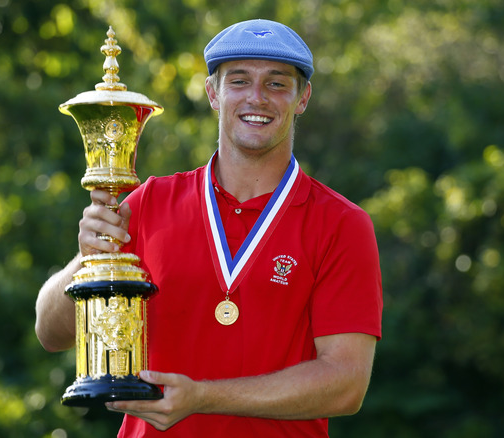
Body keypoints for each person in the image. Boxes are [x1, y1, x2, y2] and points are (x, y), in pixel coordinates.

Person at [35, 19, 383, 437]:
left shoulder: (342, 224)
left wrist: (203, 397)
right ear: (213, 93)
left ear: (302, 97)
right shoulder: (148, 202)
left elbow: (346, 384)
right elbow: (49, 332)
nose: (257, 97)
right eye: (239, 80)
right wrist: (87, 260)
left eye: (276, 83)